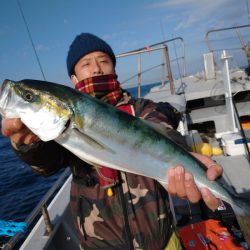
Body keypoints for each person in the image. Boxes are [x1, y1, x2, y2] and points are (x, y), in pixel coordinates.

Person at [1, 33, 222, 250]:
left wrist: (182, 153)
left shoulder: (142, 108)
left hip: (162, 240)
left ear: (114, 68)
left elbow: (162, 126)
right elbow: (46, 163)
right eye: (86, 64)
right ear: (73, 79)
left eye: (104, 61)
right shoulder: (63, 131)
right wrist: (26, 144)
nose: (96, 68)